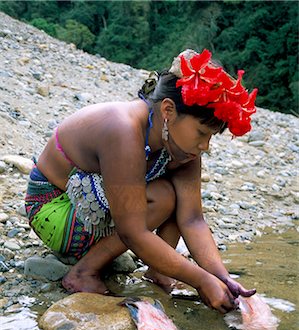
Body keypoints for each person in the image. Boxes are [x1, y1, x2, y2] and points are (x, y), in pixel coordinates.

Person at [25, 48, 258, 314]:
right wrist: (200, 280)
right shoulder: (122, 129)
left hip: (96, 214)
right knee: (164, 197)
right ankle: (82, 273)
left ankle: (159, 272)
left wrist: (220, 276)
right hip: (54, 210)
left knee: (176, 197)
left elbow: (192, 219)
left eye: (211, 137)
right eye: (201, 132)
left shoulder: (183, 148)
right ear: (168, 110)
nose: (204, 145)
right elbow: (132, 232)